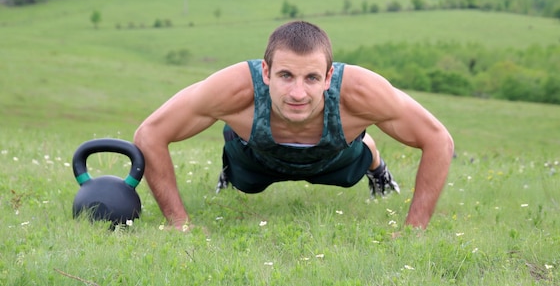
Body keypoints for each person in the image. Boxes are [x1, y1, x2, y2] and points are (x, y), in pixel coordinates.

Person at [134, 21, 454, 231]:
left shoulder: (361, 92)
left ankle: (373, 159)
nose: (298, 93)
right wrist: (179, 223)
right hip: (256, 158)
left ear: (328, 77)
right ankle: (231, 159)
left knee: (353, 166)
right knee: (243, 181)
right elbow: (150, 134)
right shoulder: (232, 89)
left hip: (333, 159)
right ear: (266, 72)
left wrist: (414, 232)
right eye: (286, 75)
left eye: (312, 78)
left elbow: (438, 139)